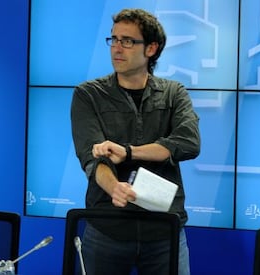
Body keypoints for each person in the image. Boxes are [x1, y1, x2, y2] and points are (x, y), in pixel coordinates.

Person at [71, 8, 200, 275]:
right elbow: (92, 157)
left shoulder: (174, 93)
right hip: (107, 225)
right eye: (113, 39)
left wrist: (128, 153)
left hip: (164, 228)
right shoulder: (88, 94)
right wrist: (114, 188)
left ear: (151, 48)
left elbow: (188, 143)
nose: (117, 48)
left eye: (127, 41)